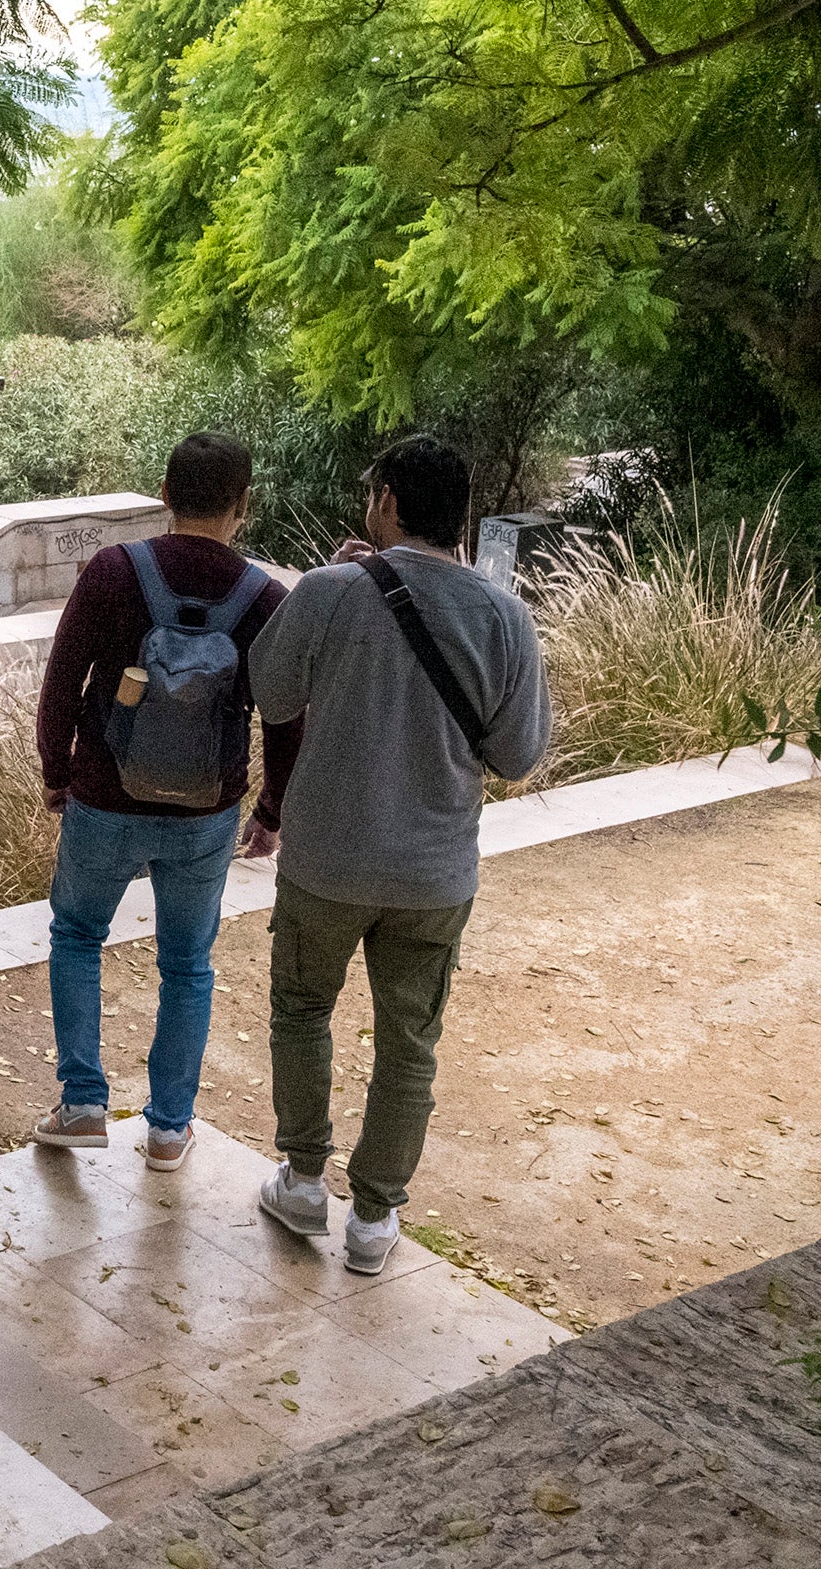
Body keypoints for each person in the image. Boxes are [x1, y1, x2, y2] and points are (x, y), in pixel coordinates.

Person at [246, 433, 551, 1273]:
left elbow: (270, 691)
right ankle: (375, 1223)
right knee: (408, 1042)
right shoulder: (503, 615)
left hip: (327, 864)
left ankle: (303, 1182)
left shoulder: (331, 589)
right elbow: (519, 756)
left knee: (303, 1010)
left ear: (384, 503)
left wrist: (328, 597)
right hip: (433, 873)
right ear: (461, 515)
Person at [31, 432, 300, 1173]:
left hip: (103, 799)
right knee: (187, 963)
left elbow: (62, 681)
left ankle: (82, 1103)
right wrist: (270, 810)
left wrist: (59, 770)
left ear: (164, 490)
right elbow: (284, 716)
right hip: (205, 814)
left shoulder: (115, 570)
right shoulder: (264, 598)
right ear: (244, 504)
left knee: (79, 935)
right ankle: (169, 1129)